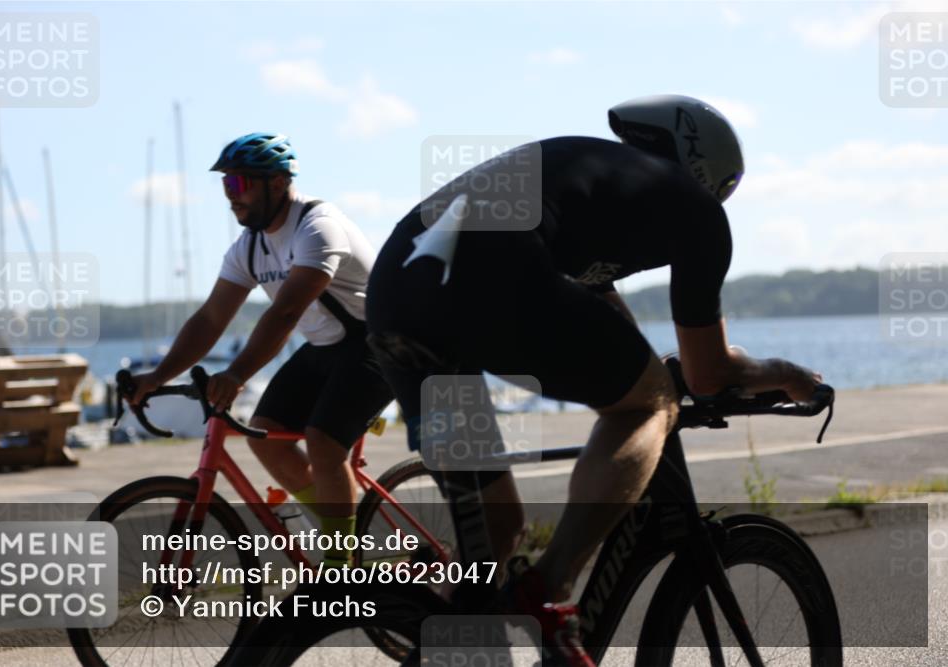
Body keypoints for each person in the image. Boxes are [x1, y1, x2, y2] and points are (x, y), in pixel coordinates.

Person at [365, 95, 822, 665]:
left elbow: (610, 330)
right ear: (707, 173)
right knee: (650, 408)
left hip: (394, 299)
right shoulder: (697, 211)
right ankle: (551, 588)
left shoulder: (591, 186)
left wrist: (650, 370)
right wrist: (786, 374)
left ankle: (450, 634)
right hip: (493, 271)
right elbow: (706, 374)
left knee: (497, 530)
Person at [129, 133, 393, 567]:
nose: (231, 197)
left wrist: (236, 375)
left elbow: (286, 312)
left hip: (376, 343)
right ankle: (340, 528)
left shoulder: (318, 226)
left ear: (275, 183)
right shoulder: (248, 248)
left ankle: (342, 568)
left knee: (324, 444)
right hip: (326, 347)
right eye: (225, 186)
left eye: (238, 185)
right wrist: (157, 377)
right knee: (266, 436)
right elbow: (211, 319)